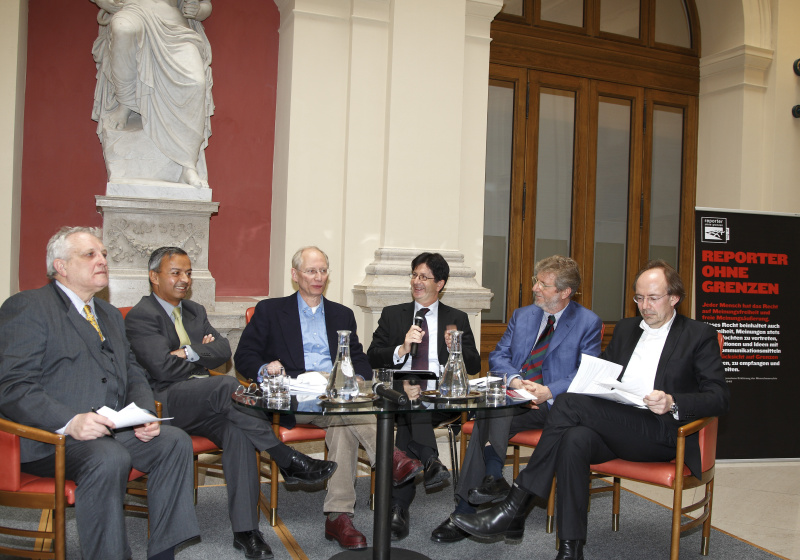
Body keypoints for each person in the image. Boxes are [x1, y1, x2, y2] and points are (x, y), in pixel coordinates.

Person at [450, 260, 730, 560]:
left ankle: (515, 505)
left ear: (674, 298)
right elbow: (601, 376)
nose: (644, 306)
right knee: (574, 440)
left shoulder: (698, 335)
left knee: (569, 402)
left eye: (653, 298)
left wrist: (672, 401)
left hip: (660, 432)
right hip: (617, 425)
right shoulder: (626, 329)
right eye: (639, 298)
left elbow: (719, 396)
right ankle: (571, 550)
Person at [125, 247, 337, 559]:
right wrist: (200, 351)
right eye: (175, 273)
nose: (184, 279)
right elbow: (161, 368)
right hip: (165, 403)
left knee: (238, 429)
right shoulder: (141, 316)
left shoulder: (195, 310)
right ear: (154, 277)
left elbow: (224, 351)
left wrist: (187, 351)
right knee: (228, 385)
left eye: (188, 273)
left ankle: (246, 531)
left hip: (207, 400)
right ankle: (284, 457)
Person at [0, 227, 198, 560]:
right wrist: (69, 421)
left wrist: (145, 413)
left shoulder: (107, 314)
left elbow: (133, 370)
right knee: (109, 458)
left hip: (109, 430)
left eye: (104, 254)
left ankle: (163, 553)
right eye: (90, 254)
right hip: (52, 438)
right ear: (61, 266)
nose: (102, 260)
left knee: (174, 441)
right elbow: (12, 386)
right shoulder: (29, 307)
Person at [234, 246, 424, 551]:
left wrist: (358, 378)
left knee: (342, 424)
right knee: (350, 414)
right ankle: (391, 459)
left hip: (336, 397)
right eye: (311, 271)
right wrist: (264, 368)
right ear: (295, 275)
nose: (318, 277)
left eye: (323, 270)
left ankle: (339, 517)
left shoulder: (341, 313)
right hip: (297, 397)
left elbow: (360, 360)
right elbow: (243, 356)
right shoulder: (270, 310)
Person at [430, 255, 602, 544]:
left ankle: (467, 506)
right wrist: (515, 381)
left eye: (543, 284)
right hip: (515, 395)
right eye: (537, 280)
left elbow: (587, 372)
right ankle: (492, 480)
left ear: (564, 292)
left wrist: (549, 390)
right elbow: (498, 355)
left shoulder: (588, 322)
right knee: (493, 408)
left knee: (490, 413)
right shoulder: (523, 315)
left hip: (554, 406)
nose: (534, 287)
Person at [367, 252, 481, 540]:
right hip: (400, 392)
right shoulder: (393, 314)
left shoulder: (457, 318)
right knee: (410, 399)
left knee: (413, 408)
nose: (416, 281)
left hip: (440, 396)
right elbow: (372, 356)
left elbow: (475, 364)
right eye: (414, 275)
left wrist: (455, 348)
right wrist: (402, 349)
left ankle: (398, 507)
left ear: (440, 283)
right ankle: (431, 460)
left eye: (424, 277)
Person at [91, 0, 214, 187]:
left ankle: (187, 165)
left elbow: (204, 4)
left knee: (196, 82)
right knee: (123, 30)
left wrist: (199, 10)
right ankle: (126, 103)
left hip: (174, 25)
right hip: (134, 11)